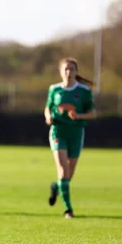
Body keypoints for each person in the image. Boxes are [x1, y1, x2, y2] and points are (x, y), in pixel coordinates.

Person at [44, 57, 97, 219]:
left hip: (76, 133)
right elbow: (48, 108)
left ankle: (56, 186)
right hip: (58, 132)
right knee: (62, 169)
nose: (68, 72)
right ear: (60, 72)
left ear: (76, 72)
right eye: (65, 69)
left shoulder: (84, 91)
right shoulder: (54, 89)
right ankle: (68, 210)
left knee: (68, 174)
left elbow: (93, 113)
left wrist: (79, 115)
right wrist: (48, 118)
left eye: (72, 69)